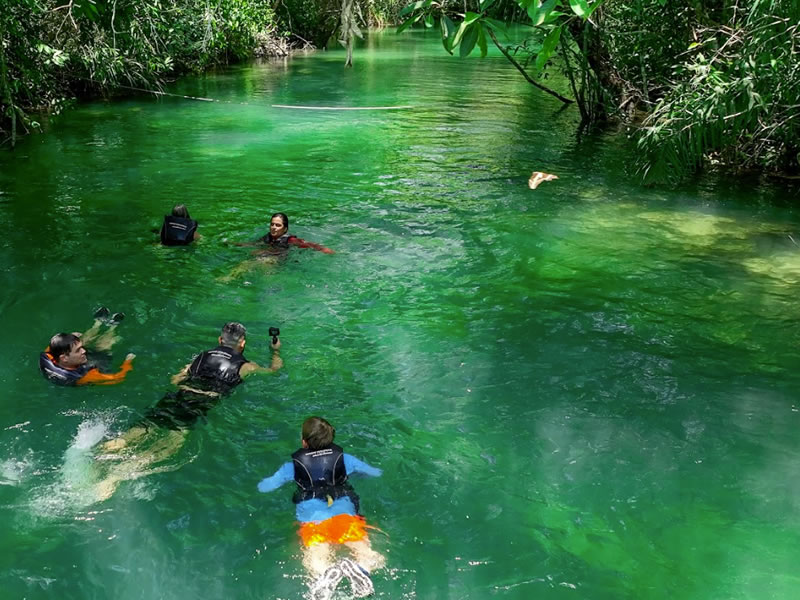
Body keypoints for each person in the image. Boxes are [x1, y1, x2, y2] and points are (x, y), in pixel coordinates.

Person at [257, 416, 385, 600]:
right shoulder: (345, 459)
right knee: (366, 551)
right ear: (331, 439)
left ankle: (325, 573)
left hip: (313, 521)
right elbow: (374, 472)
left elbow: (265, 487)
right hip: (345, 517)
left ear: (304, 441)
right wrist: (357, 474)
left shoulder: (291, 467)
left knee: (316, 557)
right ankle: (362, 568)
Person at [40, 307, 135, 386]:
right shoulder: (86, 376)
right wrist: (128, 362)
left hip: (71, 360)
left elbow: (56, 345)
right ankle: (112, 327)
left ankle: (97, 324)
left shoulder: (47, 356)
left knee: (81, 340)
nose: (83, 351)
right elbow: (117, 379)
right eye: (78, 350)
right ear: (64, 358)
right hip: (89, 366)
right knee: (102, 347)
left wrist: (70, 338)